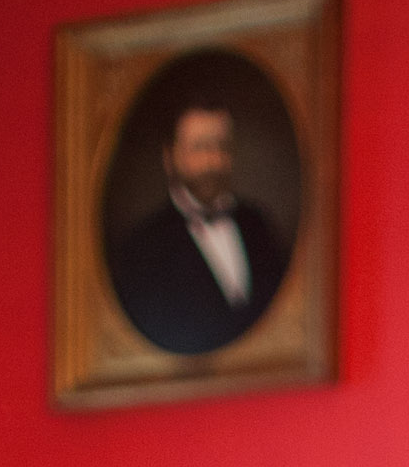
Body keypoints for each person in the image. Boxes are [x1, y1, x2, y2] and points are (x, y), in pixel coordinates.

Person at [107, 98, 291, 355]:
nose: (213, 161)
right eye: (200, 147)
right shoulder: (143, 247)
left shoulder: (258, 223)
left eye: (221, 146)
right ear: (170, 158)